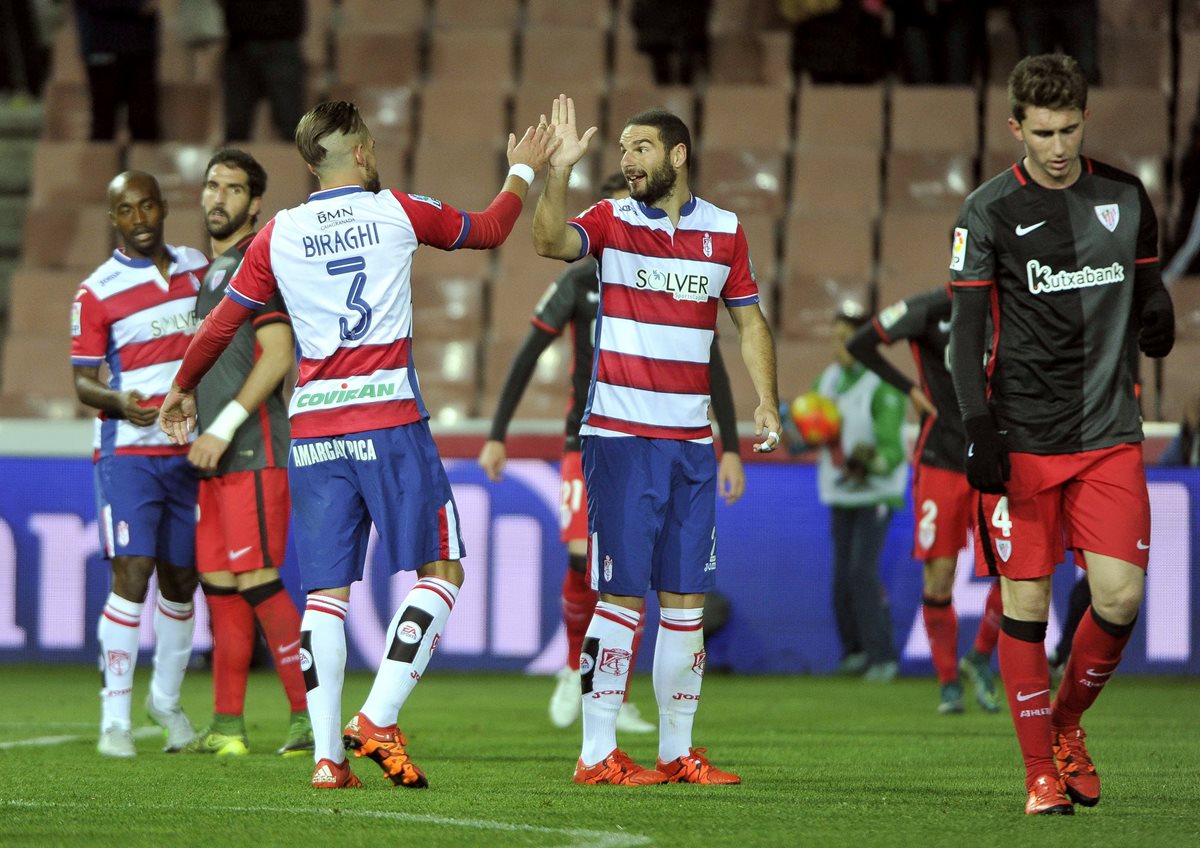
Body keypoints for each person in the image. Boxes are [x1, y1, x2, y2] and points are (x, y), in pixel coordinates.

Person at [159, 101, 556, 789]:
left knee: (325, 596)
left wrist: (182, 387)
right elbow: (491, 229)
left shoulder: (277, 235)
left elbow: (221, 326)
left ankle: (325, 758)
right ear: (365, 154)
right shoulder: (395, 210)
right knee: (443, 570)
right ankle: (376, 716)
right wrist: (525, 166)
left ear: (311, 164)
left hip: (312, 428)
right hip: (388, 419)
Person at [532, 96, 781, 786]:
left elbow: (749, 322)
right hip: (620, 440)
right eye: (620, 151)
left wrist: (767, 400)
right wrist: (557, 175)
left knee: (685, 603)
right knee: (620, 599)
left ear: (678, 155)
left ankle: (677, 752)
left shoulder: (726, 232)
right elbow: (549, 242)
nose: (625, 161)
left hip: (690, 446)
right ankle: (595, 754)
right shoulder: (611, 221)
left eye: (638, 149)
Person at [949, 54, 1174, 815]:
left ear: (1084, 119)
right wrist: (976, 425)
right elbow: (965, 330)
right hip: (1024, 436)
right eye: (1042, 132)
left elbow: (1146, 279)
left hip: (1109, 428)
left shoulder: (1123, 194)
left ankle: (1067, 724)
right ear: (1016, 127)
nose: (1057, 146)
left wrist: (1159, 308)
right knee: (1027, 603)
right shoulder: (986, 211)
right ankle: (1038, 773)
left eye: (1069, 129)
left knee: (1119, 598)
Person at [479, 174, 746, 734]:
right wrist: (497, 432)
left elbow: (712, 364)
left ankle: (612, 693)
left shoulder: (674, 279)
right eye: (620, 212)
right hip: (591, 437)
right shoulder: (579, 282)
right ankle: (576, 667)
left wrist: (731, 446)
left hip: (669, 436)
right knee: (586, 560)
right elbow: (528, 353)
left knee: (637, 569)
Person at [70, 171, 209, 756]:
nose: (140, 218)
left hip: (191, 453)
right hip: (129, 454)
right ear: (114, 218)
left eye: (148, 205)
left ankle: (167, 704)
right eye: (126, 210)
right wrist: (119, 401)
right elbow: (82, 382)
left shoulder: (199, 269)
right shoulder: (95, 292)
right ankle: (115, 720)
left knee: (182, 584)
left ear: (162, 207)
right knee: (132, 575)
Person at [183, 148, 311, 756]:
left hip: (255, 448)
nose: (218, 198)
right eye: (212, 186)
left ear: (255, 202)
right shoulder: (212, 274)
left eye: (233, 189)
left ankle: (308, 716)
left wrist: (224, 424)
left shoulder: (258, 267)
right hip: (214, 459)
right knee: (220, 585)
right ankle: (228, 727)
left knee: (258, 580)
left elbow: (279, 356)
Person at [846, 286, 1003, 712]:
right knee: (940, 575)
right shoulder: (929, 309)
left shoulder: (1008, 304)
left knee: (1017, 570)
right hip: (942, 458)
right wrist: (908, 388)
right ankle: (949, 683)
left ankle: (980, 655)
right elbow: (860, 343)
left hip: (996, 454)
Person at [797, 304, 907, 684]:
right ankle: (855, 652)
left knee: (862, 572)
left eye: (846, 339)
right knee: (843, 577)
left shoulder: (882, 384)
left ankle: (883, 657)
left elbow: (893, 452)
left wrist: (868, 462)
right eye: (835, 338)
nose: (837, 346)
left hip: (876, 494)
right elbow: (803, 433)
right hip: (840, 494)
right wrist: (794, 431)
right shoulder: (826, 380)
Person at [220, 0, 306, 141]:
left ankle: (294, 162)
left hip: (282, 37)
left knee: (291, 125)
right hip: (240, 40)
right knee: (236, 127)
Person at [74, 0, 160, 141]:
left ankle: (145, 162)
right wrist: (138, 5)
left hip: (140, 45)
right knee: (104, 117)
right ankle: (101, 162)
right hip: (102, 42)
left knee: (143, 118)